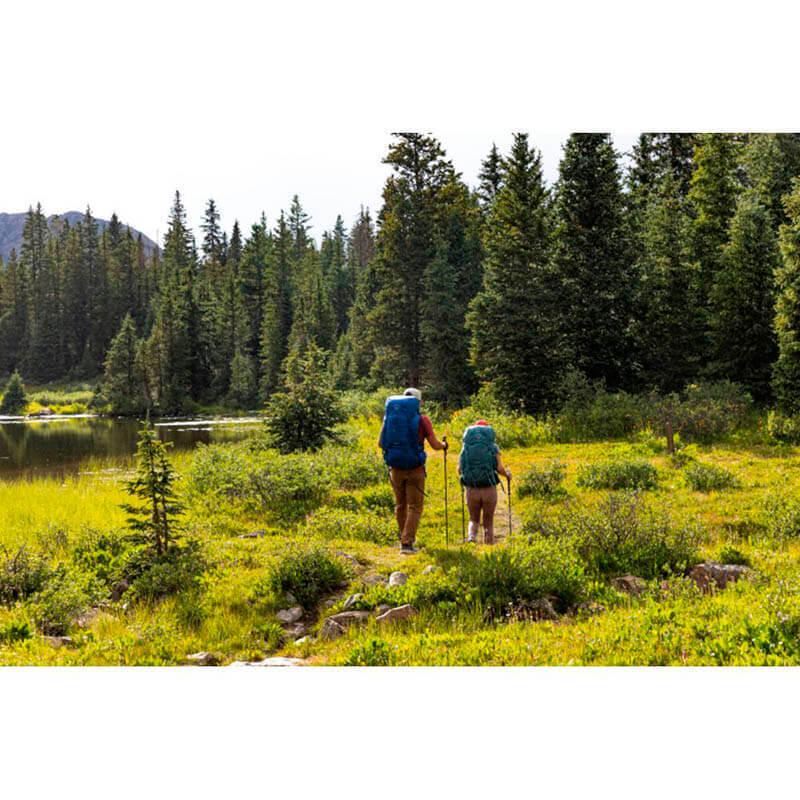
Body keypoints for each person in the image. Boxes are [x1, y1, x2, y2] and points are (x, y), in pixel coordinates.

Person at [378, 388, 447, 554]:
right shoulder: (423, 420)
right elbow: (435, 445)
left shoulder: (390, 418)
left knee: (400, 505)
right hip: (415, 468)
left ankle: (403, 538)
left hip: (395, 468)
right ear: (419, 402)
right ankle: (407, 544)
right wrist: (444, 445)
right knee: (415, 506)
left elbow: (381, 443)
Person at [457, 419, 511, 545]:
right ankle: (488, 546)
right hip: (489, 488)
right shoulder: (493, 447)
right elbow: (499, 468)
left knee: (473, 518)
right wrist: (507, 475)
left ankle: (471, 538)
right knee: (488, 520)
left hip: (472, 488)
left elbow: (459, 469)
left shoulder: (466, 447)